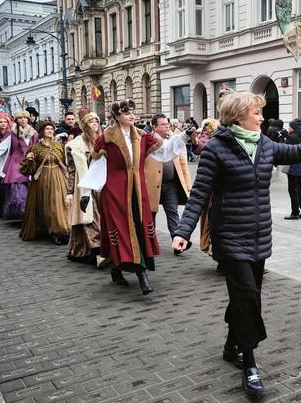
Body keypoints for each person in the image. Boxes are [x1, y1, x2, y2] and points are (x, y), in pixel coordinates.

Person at [171, 91, 301, 399]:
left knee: (245, 296)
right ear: (238, 115)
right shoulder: (216, 148)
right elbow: (200, 192)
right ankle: (249, 364)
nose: (261, 117)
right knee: (248, 297)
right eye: (256, 112)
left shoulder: (264, 144)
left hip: (258, 234)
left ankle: (231, 344)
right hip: (228, 233)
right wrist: (183, 231)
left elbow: (297, 152)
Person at [78, 100, 189, 294]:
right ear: (116, 116)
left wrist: (183, 136)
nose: (131, 115)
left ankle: (120, 268)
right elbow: (98, 166)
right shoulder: (107, 138)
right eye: (126, 112)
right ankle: (141, 275)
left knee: (138, 229)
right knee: (121, 231)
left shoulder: (142, 136)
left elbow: (163, 153)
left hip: (138, 192)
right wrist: (86, 193)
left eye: (132, 112)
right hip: (115, 193)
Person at [144, 113, 192, 249]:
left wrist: (188, 184)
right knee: (151, 214)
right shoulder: (148, 141)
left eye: (167, 124)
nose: (167, 127)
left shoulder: (173, 139)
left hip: (170, 184)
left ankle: (177, 242)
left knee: (173, 211)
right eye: (163, 124)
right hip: (152, 184)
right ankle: (150, 243)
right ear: (154, 127)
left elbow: (183, 163)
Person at [19, 121, 70, 244]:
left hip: (60, 177)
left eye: (52, 129)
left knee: (62, 204)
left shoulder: (59, 146)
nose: (50, 131)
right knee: (49, 206)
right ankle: (53, 231)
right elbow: (27, 169)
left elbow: (67, 161)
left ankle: (64, 230)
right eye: (47, 129)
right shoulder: (36, 148)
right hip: (44, 179)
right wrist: (30, 160)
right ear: (42, 132)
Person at [65, 112, 103, 263]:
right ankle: (97, 252)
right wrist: (69, 191)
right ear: (84, 125)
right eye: (91, 121)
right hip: (85, 186)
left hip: (101, 185)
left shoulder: (103, 141)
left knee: (101, 218)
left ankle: (88, 250)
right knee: (89, 219)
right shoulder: (75, 145)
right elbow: (72, 171)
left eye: (96, 121)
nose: (94, 123)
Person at [191, 118, 220, 259]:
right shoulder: (210, 130)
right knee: (211, 218)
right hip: (212, 184)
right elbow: (200, 146)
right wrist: (195, 141)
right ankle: (215, 251)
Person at [284, 118, 301, 219]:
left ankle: (295, 212)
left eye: (290, 126)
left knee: (293, 190)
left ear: (293, 127)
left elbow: (285, 150)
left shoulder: (291, 137)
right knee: (298, 189)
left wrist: (284, 137)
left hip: (293, 165)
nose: (288, 128)